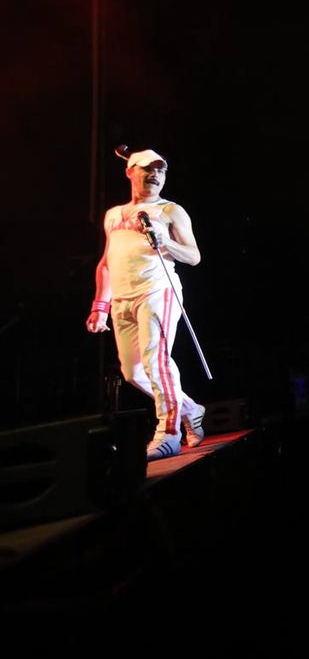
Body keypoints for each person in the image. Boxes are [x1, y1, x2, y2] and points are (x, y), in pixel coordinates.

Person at [85, 148, 205, 460]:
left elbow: (194, 256)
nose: (154, 176)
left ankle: (169, 433)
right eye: (147, 170)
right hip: (122, 299)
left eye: (160, 171)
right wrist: (100, 305)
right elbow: (106, 263)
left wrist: (166, 243)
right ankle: (190, 408)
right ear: (130, 172)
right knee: (133, 371)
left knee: (157, 361)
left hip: (157, 291)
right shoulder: (114, 215)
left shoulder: (170, 211)